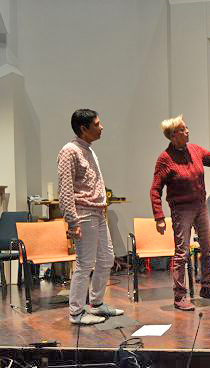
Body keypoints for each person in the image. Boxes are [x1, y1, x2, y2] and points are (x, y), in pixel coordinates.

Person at [150, 115, 210, 311]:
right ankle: (179, 296)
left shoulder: (195, 150)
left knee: (208, 248)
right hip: (181, 209)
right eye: (183, 129)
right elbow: (155, 190)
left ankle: (207, 287)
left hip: (201, 206)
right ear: (173, 135)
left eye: (186, 128)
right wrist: (159, 217)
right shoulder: (165, 159)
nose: (187, 131)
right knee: (182, 253)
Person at [58, 109, 124, 325]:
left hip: (97, 212)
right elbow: (65, 190)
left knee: (107, 259)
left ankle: (96, 303)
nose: (101, 127)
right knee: (85, 263)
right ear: (83, 128)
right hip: (83, 213)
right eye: (97, 124)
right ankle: (76, 313)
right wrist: (72, 221)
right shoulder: (69, 151)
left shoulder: (89, 150)